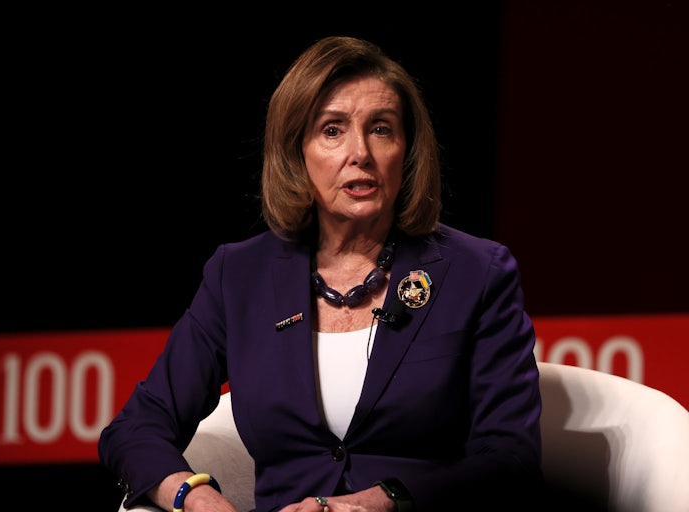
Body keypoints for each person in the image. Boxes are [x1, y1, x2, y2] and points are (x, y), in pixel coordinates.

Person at [98, 35, 543, 512]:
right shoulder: (240, 275)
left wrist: (382, 501)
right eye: (333, 130)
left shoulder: (476, 272)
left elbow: (511, 457)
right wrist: (195, 496)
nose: (361, 153)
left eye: (381, 129)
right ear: (297, 152)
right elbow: (136, 428)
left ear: (406, 150)